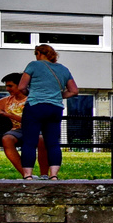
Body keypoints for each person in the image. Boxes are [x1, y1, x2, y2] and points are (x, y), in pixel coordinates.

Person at [14, 44, 77, 180]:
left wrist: (30, 94)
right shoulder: (63, 69)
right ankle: (53, 175)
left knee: (30, 142)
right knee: (53, 143)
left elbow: (21, 87)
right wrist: (58, 96)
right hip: (55, 108)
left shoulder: (33, 65)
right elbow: (74, 91)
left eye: (36, 54)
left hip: (35, 106)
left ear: (39, 53)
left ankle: (28, 175)